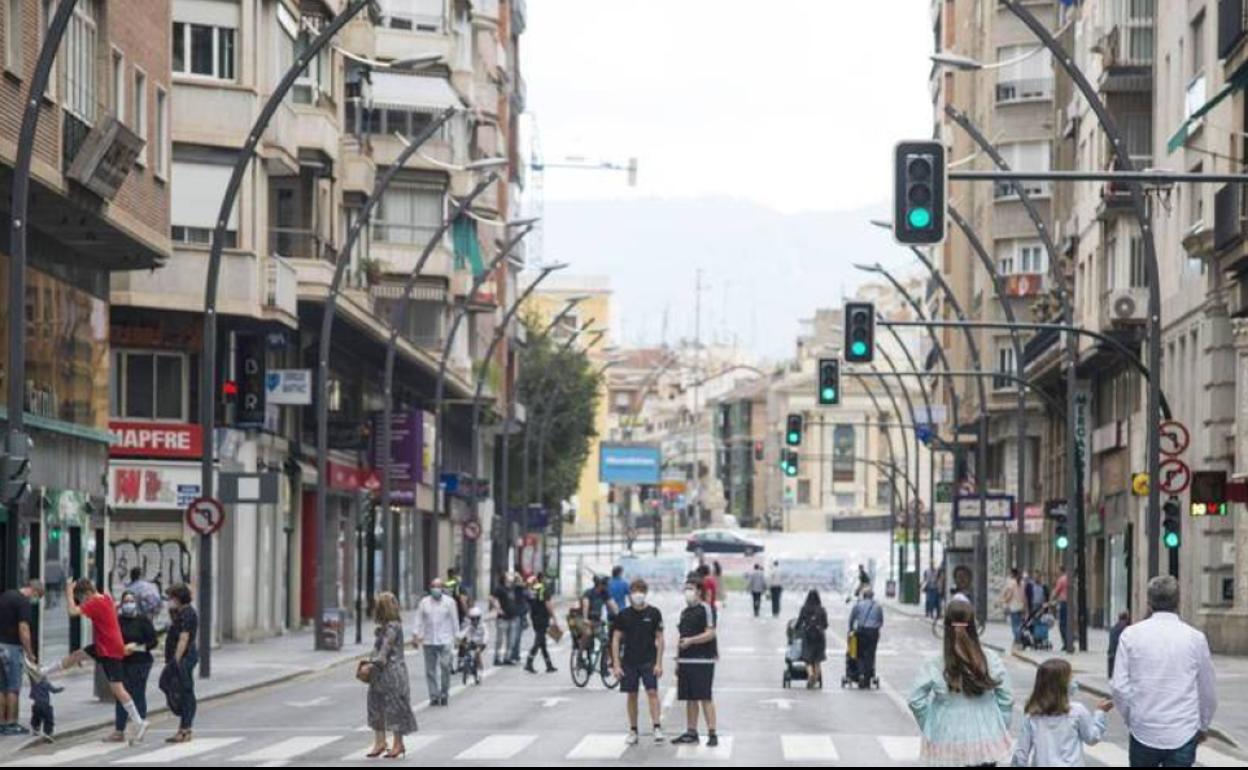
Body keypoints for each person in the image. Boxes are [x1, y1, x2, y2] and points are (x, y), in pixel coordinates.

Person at [1111, 575, 1216, 768]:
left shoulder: (1131, 635)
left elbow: (1119, 687)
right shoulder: (1195, 638)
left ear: (1149, 602)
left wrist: (1132, 717)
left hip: (1144, 728)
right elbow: (1207, 689)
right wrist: (1203, 724)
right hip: (1182, 728)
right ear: (1178, 601)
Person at [33, 579, 151, 745]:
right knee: (77, 655)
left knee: (118, 689)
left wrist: (68, 592)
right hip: (105, 645)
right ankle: (42, 671)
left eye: (82, 598)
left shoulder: (95, 602)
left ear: (87, 593)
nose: (83, 602)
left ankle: (139, 722)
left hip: (109, 649)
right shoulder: (105, 598)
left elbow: (72, 611)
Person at [907, 599, 1014, 766]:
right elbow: (1007, 697)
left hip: (948, 738)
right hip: (986, 738)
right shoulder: (990, 659)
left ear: (946, 627)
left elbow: (915, 699)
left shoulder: (936, 663)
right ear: (973, 626)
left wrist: (930, 723)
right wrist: (999, 725)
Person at [1010, 658, 1110, 767]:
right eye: (1071, 678)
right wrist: (1100, 713)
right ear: (1063, 684)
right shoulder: (1077, 711)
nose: (1075, 682)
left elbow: (1021, 754)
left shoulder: (1032, 716)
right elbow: (1092, 737)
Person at [610, 579, 664, 745]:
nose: (637, 594)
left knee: (652, 692)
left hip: (649, 660)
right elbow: (615, 639)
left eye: (641, 590)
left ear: (645, 593)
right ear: (630, 594)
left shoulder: (654, 613)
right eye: (634, 591)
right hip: (629, 661)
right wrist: (616, 664)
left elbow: (660, 638)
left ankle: (657, 727)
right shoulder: (623, 615)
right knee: (632, 695)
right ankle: (633, 730)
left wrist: (659, 663)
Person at [365, 592, 417, 759]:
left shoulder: (392, 627)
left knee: (395, 708)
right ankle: (380, 742)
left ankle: (398, 744)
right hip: (380, 674)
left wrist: (371, 664)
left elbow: (384, 652)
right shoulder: (384, 627)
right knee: (375, 706)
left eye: (377, 607)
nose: (375, 610)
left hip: (392, 674)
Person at [672, 574, 719, 747]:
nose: (687, 592)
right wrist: (678, 661)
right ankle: (691, 732)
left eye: (690, 589)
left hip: (702, 660)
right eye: (686, 589)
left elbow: (711, 633)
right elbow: (681, 637)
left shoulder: (706, 609)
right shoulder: (685, 612)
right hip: (686, 660)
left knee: (705, 697)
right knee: (690, 698)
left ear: (699, 591)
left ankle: (712, 733)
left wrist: (692, 641)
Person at [105, 591, 157, 743]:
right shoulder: (117, 621)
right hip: (122, 662)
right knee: (121, 694)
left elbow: (153, 642)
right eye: (126, 601)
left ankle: (139, 727)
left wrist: (137, 647)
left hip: (140, 662)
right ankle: (119, 730)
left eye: (131, 601)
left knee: (138, 693)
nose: (129, 604)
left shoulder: (143, 620)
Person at [0, 579, 42, 735]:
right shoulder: (23, 602)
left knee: (1, 688)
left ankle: (1, 723)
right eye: (38, 596)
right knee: (13, 687)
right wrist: (29, 653)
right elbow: (23, 629)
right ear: (34, 591)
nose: (35, 600)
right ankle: (11, 723)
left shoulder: (5, 595)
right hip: (12, 648)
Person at [161, 583, 198, 743]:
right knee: (171, 686)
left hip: (184, 658)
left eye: (172, 598)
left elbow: (184, 638)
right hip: (180, 658)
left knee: (185, 691)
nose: (170, 601)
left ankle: (185, 728)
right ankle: (184, 724)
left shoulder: (187, 614)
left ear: (178, 598)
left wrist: (176, 660)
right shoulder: (181, 613)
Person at [413, 578, 458, 707]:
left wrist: (457, 637)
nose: (436, 589)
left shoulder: (449, 602)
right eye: (433, 586)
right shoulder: (424, 602)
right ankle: (433, 695)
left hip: (445, 639)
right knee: (430, 671)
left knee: (445, 666)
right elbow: (418, 619)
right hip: (429, 640)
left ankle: (444, 693)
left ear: (442, 588)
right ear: (430, 588)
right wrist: (415, 635)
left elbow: (454, 620)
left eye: (438, 586)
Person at [848, 587, 884, 687]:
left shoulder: (858, 605)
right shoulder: (878, 606)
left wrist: (851, 630)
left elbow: (852, 619)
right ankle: (868, 676)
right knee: (870, 654)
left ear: (863, 596)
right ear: (872, 596)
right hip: (873, 632)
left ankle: (860, 674)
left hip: (861, 631)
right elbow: (881, 621)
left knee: (859, 654)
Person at [524, 576, 558, 674]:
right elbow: (548, 605)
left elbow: (528, 603)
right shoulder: (544, 589)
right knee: (539, 640)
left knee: (542, 642)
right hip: (543, 617)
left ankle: (549, 665)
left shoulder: (532, 590)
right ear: (541, 579)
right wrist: (554, 617)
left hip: (534, 617)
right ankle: (529, 662)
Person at [795, 590, 828, 689]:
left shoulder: (804, 609)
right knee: (817, 660)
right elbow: (826, 625)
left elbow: (799, 622)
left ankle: (810, 674)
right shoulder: (822, 610)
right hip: (819, 637)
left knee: (808, 659)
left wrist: (797, 629)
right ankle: (816, 678)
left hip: (808, 636)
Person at [579, 575, 616, 659]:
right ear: (599, 584)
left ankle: (606, 663)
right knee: (587, 633)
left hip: (597, 621)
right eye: (605, 584)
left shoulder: (605, 593)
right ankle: (580, 654)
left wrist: (619, 616)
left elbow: (612, 604)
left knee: (605, 640)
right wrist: (585, 618)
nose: (607, 586)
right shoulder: (588, 593)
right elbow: (585, 605)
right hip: (585, 620)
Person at [489, 572, 517, 666]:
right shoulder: (499, 588)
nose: (510, 577)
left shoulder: (511, 588)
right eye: (508, 576)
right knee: (500, 640)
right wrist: (498, 609)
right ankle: (497, 658)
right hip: (503, 618)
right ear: (504, 578)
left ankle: (507, 658)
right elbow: (492, 598)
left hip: (512, 617)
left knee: (511, 640)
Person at [27, 674, 60, 740]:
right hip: (45, 705)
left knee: (36, 717)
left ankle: (36, 729)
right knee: (48, 719)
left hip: (36, 705)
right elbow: (54, 690)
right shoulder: (46, 683)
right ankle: (48, 733)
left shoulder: (34, 685)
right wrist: (61, 689)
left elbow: (31, 696)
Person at [458, 606, 488, 676]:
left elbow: (486, 634)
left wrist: (484, 642)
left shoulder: (483, 626)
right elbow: (464, 632)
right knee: (465, 649)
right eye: (472, 619)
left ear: (479, 618)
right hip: (472, 643)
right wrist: (458, 638)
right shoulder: (470, 626)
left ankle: (481, 669)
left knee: (477, 653)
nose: (474, 621)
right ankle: (465, 664)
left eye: (476, 618)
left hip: (481, 643)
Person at [510, 573, 530, 665]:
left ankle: (516, 655)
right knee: (516, 637)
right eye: (518, 579)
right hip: (517, 615)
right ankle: (513, 655)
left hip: (521, 615)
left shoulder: (522, 589)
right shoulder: (517, 588)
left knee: (518, 637)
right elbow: (520, 585)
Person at [1002, 569, 1026, 647]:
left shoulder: (1011, 583)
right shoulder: (1023, 583)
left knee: (1015, 626)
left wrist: (1004, 601)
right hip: (1021, 607)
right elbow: (1024, 596)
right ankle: (1018, 640)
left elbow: (1009, 595)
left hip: (1014, 607)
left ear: (1012, 574)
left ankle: (1018, 641)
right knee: (1019, 625)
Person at [1107, 611, 1130, 679]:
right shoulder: (1126, 628)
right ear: (1126, 619)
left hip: (1112, 651)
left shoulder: (1114, 627)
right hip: (1119, 651)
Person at [1053, 565, 1070, 652]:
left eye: (1058, 571)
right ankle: (1069, 642)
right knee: (1068, 623)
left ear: (1061, 571)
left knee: (1062, 624)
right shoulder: (1069, 578)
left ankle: (1066, 643)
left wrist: (1050, 600)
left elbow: (1056, 591)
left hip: (1063, 603)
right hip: (1070, 604)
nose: (1057, 572)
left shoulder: (1061, 580)